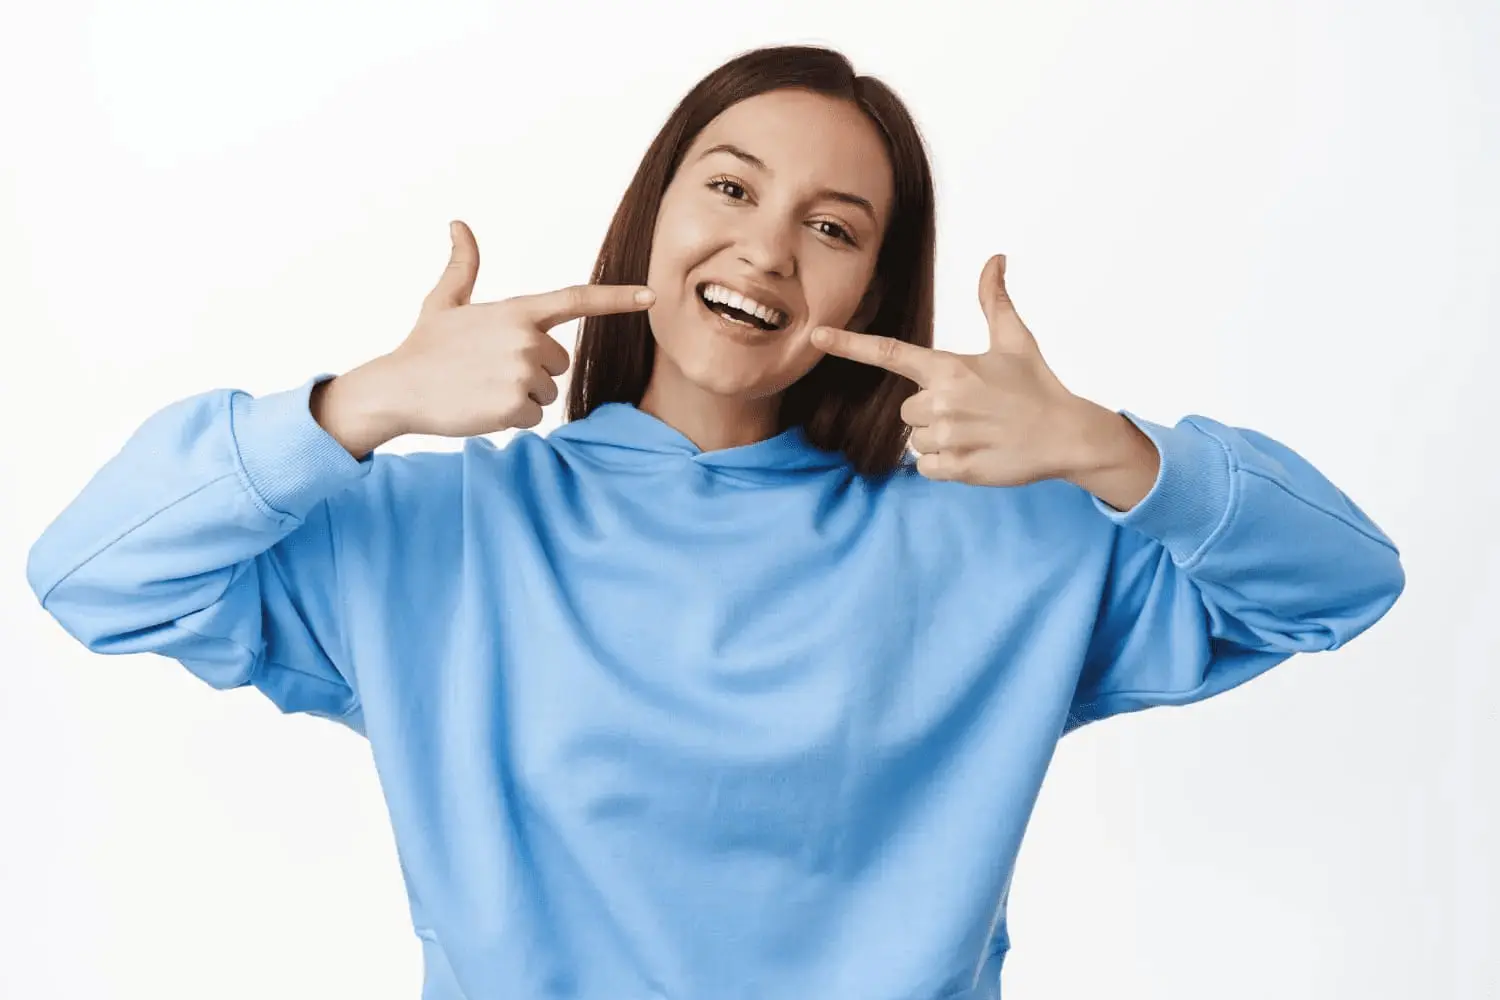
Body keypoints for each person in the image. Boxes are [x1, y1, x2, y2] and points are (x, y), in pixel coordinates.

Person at [26, 44, 1404, 1000]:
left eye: (834, 226)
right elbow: (91, 571)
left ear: (877, 284)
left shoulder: (1014, 541)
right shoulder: (437, 536)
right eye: (732, 188)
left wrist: (1112, 451)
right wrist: (359, 405)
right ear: (656, 213)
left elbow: (1346, 579)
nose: (764, 247)